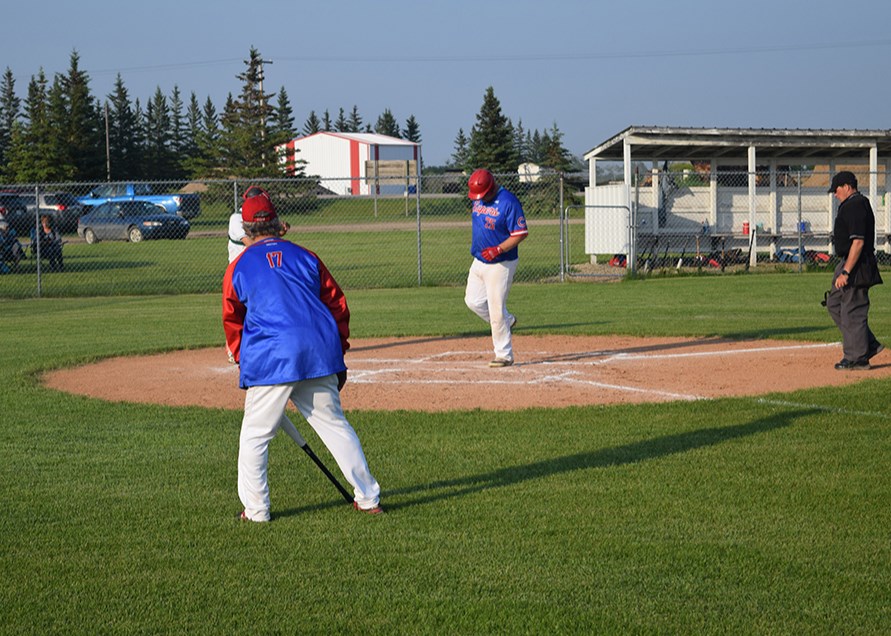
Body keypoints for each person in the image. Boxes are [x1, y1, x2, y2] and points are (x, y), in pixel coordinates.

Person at [222, 194, 382, 521]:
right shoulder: (307, 256)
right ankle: (368, 498)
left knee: (255, 437)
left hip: (270, 358)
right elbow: (336, 303)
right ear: (277, 224)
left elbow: (233, 319)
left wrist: (243, 359)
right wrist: (338, 349)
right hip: (317, 352)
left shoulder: (238, 266)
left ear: (246, 230)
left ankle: (257, 510)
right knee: (335, 428)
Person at [464, 169, 528, 367]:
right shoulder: (478, 199)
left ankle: (504, 355)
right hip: (479, 260)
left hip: (501, 263)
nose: (480, 199)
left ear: (491, 187)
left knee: (496, 309)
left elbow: (521, 233)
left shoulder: (509, 202)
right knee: (473, 301)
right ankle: (507, 321)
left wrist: (498, 249)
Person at [825, 171, 883, 370]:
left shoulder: (857, 205)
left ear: (847, 186)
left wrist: (847, 272)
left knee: (852, 309)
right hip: (847, 261)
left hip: (856, 265)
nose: (835, 194)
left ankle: (857, 358)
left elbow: (858, 242)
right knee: (834, 303)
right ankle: (868, 343)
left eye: (837, 189)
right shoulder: (850, 205)